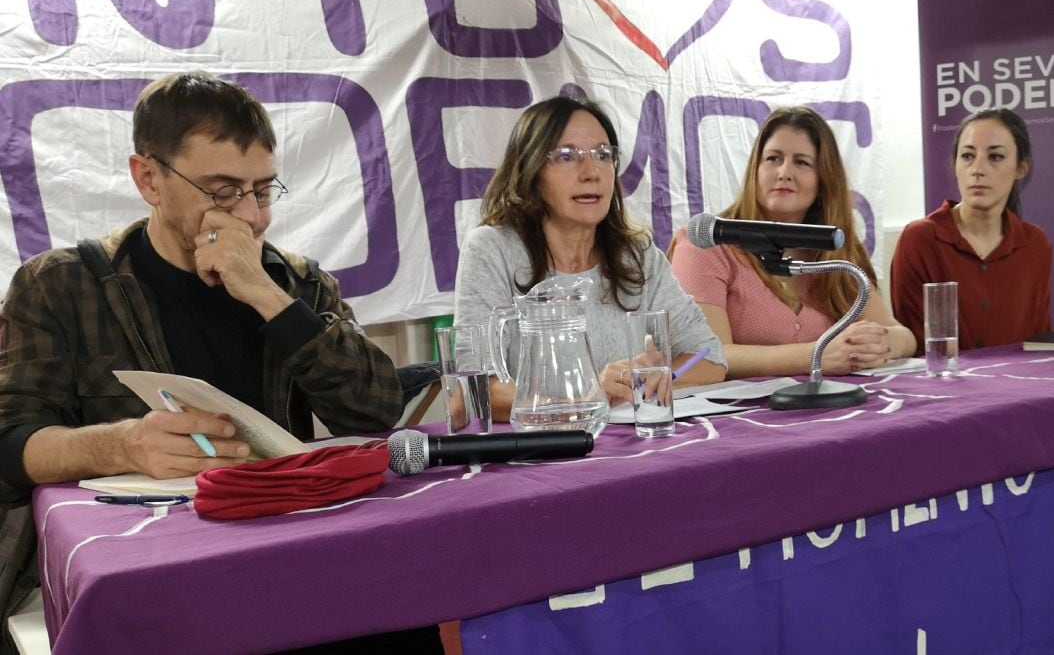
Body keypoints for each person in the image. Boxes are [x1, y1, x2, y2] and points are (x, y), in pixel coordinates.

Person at [0, 72, 441, 653]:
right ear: (149, 178)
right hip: (151, 567)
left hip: (289, 549)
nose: (252, 217)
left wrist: (265, 294)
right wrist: (121, 445)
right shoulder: (62, 284)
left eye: (262, 189)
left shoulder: (296, 283)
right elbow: (10, 443)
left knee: (403, 611)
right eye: (222, 190)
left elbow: (376, 409)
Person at [453, 96, 727, 418]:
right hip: (541, 456)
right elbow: (469, 395)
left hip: (632, 451)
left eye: (602, 155)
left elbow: (709, 357)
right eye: (567, 156)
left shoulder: (636, 255)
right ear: (531, 170)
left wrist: (656, 380)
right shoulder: (493, 249)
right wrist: (589, 397)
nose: (591, 172)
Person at [669, 105, 915, 379]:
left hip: (829, 414)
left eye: (802, 162)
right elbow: (707, 356)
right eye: (773, 158)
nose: (784, 172)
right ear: (755, 170)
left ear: (824, 181)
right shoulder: (705, 246)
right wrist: (819, 354)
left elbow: (903, 336)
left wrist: (878, 344)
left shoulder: (834, 251)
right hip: (738, 418)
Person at [890, 108, 1052, 350]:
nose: (978, 169)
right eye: (967, 156)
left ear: (1021, 168)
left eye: (995, 157)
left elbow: (1039, 340)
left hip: (1018, 384)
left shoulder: (1035, 244)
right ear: (955, 165)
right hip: (938, 385)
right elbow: (911, 343)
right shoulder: (920, 239)